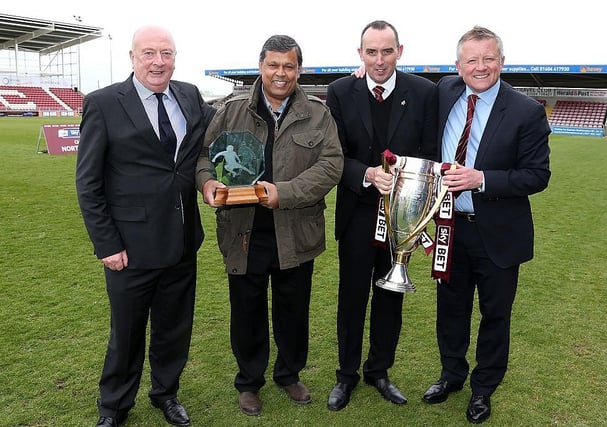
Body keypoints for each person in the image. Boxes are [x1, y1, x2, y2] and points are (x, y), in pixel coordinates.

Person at [195, 34, 343, 417]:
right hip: (244, 231)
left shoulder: (318, 114)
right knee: (247, 310)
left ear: (299, 69)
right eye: (273, 65)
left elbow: (331, 166)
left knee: (293, 309)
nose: (281, 73)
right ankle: (249, 381)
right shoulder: (229, 111)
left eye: (289, 66)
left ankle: (289, 374)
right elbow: (203, 159)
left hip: (296, 229)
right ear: (260, 66)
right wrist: (208, 183)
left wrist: (286, 192)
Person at [76, 25, 215, 427]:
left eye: (166, 53)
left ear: (175, 57)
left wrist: (352, 79)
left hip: (182, 239)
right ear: (133, 57)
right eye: (150, 53)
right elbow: (88, 181)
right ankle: (114, 407)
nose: (159, 62)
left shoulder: (189, 94)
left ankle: (165, 394)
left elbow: (229, 120)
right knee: (127, 333)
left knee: (174, 329)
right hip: (129, 247)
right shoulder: (103, 103)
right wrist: (106, 244)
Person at [421, 26, 551, 424]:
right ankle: (451, 375)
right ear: (458, 66)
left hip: (497, 231)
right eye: (472, 60)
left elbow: (537, 175)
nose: (481, 67)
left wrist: (483, 179)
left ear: (502, 61)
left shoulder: (526, 111)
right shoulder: (443, 92)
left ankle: (483, 388)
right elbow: (398, 84)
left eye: (488, 58)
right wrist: (362, 73)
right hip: (448, 226)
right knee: (450, 309)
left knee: (495, 315)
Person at [324, 20, 438, 411]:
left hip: (403, 219)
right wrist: (366, 174)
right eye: (370, 52)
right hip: (357, 213)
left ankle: (380, 371)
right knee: (352, 298)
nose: (378, 59)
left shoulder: (424, 92)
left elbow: (431, 151)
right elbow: (333, 155)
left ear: (400, 52)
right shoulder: (340, 91)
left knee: (391, 296)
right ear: (360, 55)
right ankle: (346, 376)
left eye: (386, 51)